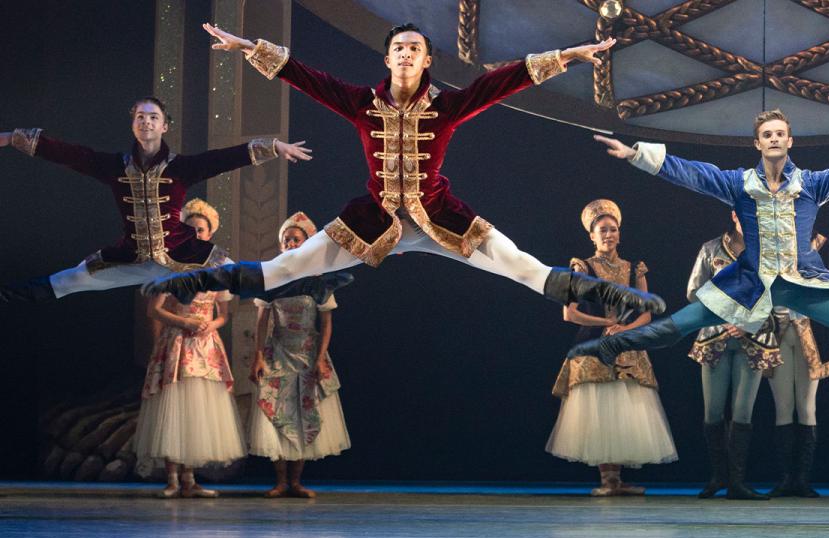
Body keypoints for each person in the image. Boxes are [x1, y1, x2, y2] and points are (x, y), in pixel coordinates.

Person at [143, 23, 662, 318]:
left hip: (441, 219)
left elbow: (505, 81)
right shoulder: (362, 103)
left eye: (415, 48)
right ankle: (198, 280)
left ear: (426, 62)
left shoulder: (447, 106)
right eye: (399, 48)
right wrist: (247, 48)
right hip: (373, 221)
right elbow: (305, 76)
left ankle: (614, 293)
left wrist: (569, 54)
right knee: (289, 267)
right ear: (388, 60)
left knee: (522, 266)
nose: (406, 54)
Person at [573, 109, 829, 381]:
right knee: (682, 323)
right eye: (767, 134)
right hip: (748, 282)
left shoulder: (812, 184)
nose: (774, 138)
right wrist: (636, 154)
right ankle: (610, 347)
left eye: (780, 133)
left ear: (789, 140)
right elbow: (691, 174)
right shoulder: (738, 185)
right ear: (758, 144)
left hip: (804, 282)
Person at [0, 97, 320, 303]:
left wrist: (275, 146)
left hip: (185, 255)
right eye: (140, 116)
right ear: (133, 125)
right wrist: (13, 137)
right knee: (70, 279)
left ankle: (306, 286)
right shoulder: (113, 166)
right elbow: (69, 154)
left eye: (153, 117)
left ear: (164, 126)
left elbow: (224, 158)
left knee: (240, 276)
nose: (147, 121)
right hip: (134, 258)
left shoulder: (181, 167)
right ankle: (9, 295)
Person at [547, 199, 676, 496]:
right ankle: (607, 479)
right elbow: (570, 312)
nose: (608, 235)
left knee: (625, 408)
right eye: (602, 230)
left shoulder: (634, 269)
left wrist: (624, 329)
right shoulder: (582, 267)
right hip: (594, 344)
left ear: (620, 233)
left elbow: (646, 313)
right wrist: (605, 322)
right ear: (592, 235)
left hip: (627, 345)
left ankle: (616, 479)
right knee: (600, 407)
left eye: (613, 229)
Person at [131, 199, 245, 498]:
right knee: (175, 407)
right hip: (178, 343)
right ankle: (171, 479)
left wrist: (212, 324)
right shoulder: (171, 265)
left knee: (197, 411)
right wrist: (183, 322)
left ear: (210, 233)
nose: (197, 234)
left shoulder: (220, 265)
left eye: (201, 230)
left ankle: (191, 479)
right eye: (191, 229)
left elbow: (223, 314)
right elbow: (154, 310)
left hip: (205, 347)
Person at [248, 212, 353, 498]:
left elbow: (326, 322)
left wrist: (320, 358)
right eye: (286, 240)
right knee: (279, 414)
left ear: (307, 243)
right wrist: (258, 355)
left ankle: (296, 482)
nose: (291, 243)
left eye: (296, 239)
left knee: (305, 413)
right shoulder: (271, 279)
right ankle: (281, 481)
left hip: (308, 353)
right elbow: (261, 321)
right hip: (278, 352)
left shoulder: (319, 281)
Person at [684, 212, 783, 500]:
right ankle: (718, 478)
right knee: (713, 411)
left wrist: (747, 322)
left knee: (743, 412)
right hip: (715, 336)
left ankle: (737, 481)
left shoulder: (770, 251)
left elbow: (779, 294)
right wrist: (727, 317)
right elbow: (693, 292)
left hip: (753, 338)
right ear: (733, 214)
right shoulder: (711, 248)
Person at [764, 232, 829, 498]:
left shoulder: (821, 243)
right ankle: (786, 479)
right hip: (777, 330)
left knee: (807, 408)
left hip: (811, 331)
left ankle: (803, 479)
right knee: (783, 408)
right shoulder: (767, 240)